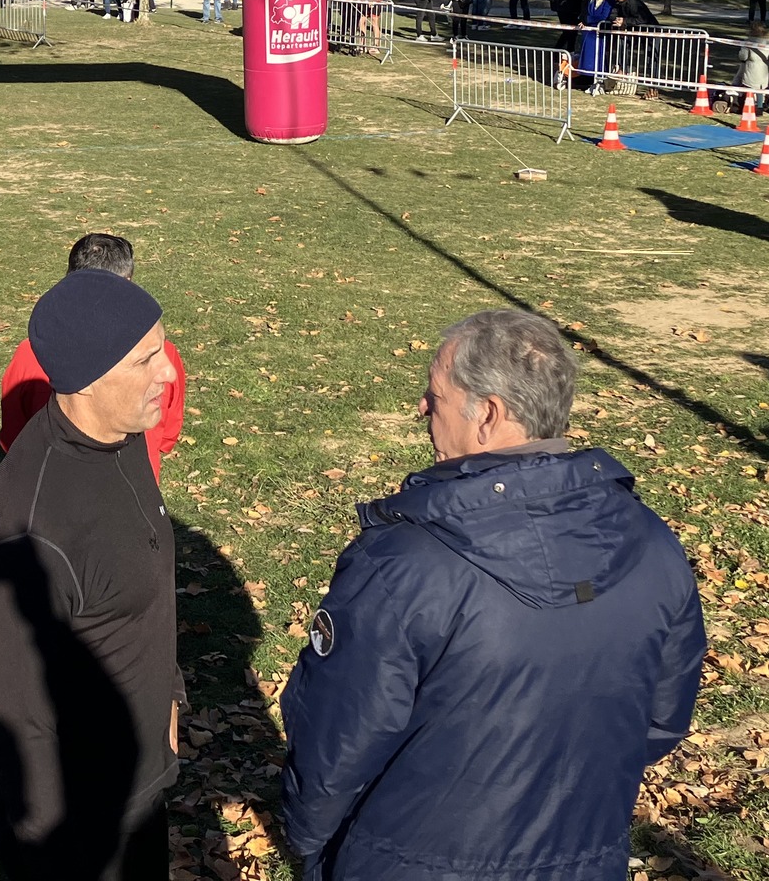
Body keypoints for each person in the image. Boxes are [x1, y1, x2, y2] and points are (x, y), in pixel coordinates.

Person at [280, 310, 704, 881]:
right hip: (584, 856)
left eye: (435, 395)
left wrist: (310, 842)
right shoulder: (653, 544)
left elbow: (336, 743)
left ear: (488, 415)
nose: (422, 409)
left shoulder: (404, 564)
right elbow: (661, 720)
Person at [0, 270, 183, 881]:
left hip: (139, 783)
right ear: (86, 380)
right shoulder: (29, 532)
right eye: (145, 361)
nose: (169, 374)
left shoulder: (123, 437)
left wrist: (168, 694)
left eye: (163, 350)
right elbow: (24, 726)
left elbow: (143, 579)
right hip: (84, 822)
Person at [0, 233, 187, 478]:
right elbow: (169, 430)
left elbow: (13, 436)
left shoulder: (29, 353)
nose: (166, 372)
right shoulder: (162, 353)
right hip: (134, 478)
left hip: (53, 478)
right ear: (128, 283)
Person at [577, 0, 613, 94]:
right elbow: (587, 11)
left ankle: (598, 81)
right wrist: (583, 20)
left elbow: (604, 16)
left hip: (598, 32)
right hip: (589, 31)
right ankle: (588, 79)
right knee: (588, 57)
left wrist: (588, 20)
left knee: (597, 57)